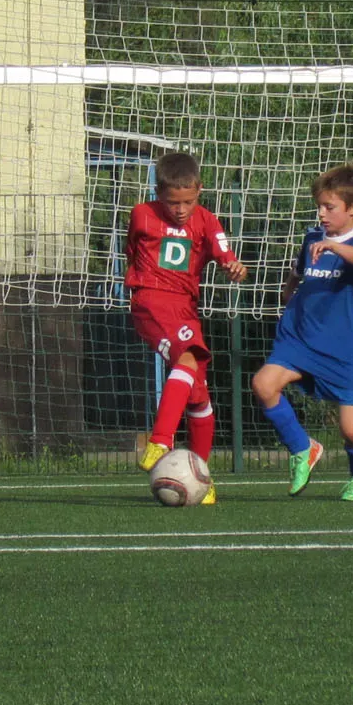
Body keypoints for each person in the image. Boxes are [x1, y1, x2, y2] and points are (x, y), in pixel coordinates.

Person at [126, 152, 248, 502]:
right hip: (152, 300)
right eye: (172, 202)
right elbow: (132, 252)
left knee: (199, 396)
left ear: (200, 190)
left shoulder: (208, 221)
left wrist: (235, 268)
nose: (180, 210)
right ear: (158, 193)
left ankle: (202, 478)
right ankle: (160, 439)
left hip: (186, 310)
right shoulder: (142, 214)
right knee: (189, 357)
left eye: (188, 202)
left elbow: (226, 257)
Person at [252, 164, 353, 501]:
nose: (322, 214)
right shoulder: (312, 237)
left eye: (329, 207)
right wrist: (289, 290)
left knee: (351, 429)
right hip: (301, 336)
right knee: (263, 384)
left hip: (345, 346)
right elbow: (298, 271)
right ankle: (302, 448)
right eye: (319, 206)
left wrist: (334, 247)